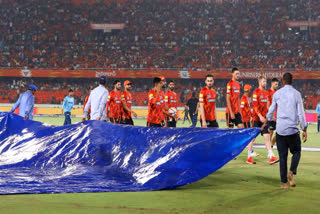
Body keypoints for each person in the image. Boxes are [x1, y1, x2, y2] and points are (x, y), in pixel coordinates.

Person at [266, 72, 308, 189]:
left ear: (283, 82)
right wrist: (304, 128)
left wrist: (268, 120)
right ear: (292, 81)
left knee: (282, 157)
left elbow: (270, 112)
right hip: (292, 130)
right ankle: (291, 172)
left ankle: (284, 184)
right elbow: (301, 113)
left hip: (280, 130)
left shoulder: (277, 94)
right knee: (296, 152)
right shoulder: (297, 94)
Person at [252, 76, 279, 164]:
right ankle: (249, 155)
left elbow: (267, 106)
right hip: (257, 119)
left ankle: (271, 156)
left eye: (266, 81)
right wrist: (260, 116)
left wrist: (268, 116)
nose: (265, 83)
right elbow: (255, 106)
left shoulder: (266, 93)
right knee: (252, 138)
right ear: (260, 82)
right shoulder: (256, 92)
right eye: (264, 81)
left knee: (267, 137)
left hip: (264, 120)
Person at [240, 84, 258, 164]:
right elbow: (242, 109)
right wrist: (245, 118)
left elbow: (247, 109)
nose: (251, 90)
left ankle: (251, 152)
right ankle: (249, 155)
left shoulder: (247, 98)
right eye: (250, 89)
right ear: (248, 90)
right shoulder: (244, 98)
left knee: (249, 137)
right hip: (245, 120)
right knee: (249, 137)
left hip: (247, 119)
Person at [268, 78, 279, 147]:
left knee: (278, 133)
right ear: (272, 84)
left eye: (277, 84)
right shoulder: (268, 92)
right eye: (276, 84)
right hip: (271, 117)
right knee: (270, 132)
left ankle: (271, 145)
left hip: (278, 116)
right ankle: (269, 147)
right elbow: (267, 105)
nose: (277, 86)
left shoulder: (278, 92)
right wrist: (271, 115)